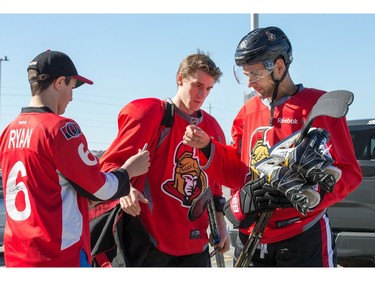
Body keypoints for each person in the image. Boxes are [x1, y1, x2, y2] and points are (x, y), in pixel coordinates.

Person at [183, 26, 362, 267]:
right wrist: (208, 148)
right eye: (244, 74)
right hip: (252, 237)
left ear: (279, 67)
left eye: (254, 74)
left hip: (303, 237)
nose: (249, 83)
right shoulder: (246, 113)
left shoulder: (321, 106)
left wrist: (308, 194)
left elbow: (349, 172)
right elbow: (238, 171)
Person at [0, 50, 150, 267]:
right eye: (72, 87)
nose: (72, 96)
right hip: (59, 256)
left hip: (17, 256)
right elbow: (99, 188)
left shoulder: (8, 131)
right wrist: (128, 170)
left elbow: (49, 188)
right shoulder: (60, 128)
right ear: (60, 82)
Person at [95, 51, 230, 267]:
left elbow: (213, 185)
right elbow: (109, 165)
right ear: (180, 78)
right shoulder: (152, 115)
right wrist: (125, 190)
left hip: (196, 246)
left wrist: (221, 223)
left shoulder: (213, 128)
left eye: (208, 88)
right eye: (197, 85)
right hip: (150, 243)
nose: (202, 94)